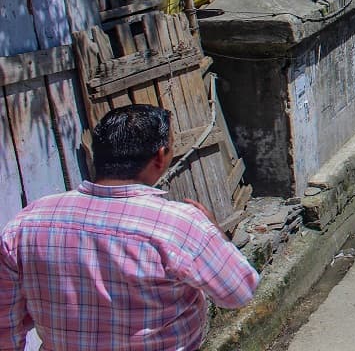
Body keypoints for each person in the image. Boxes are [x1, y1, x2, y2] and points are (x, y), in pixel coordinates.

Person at [0, 104, 258, 350]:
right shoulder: (178, 224)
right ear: (160, 156)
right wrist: (217, 234)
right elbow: (239, 291)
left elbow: (6, 327)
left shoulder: (27, 223)